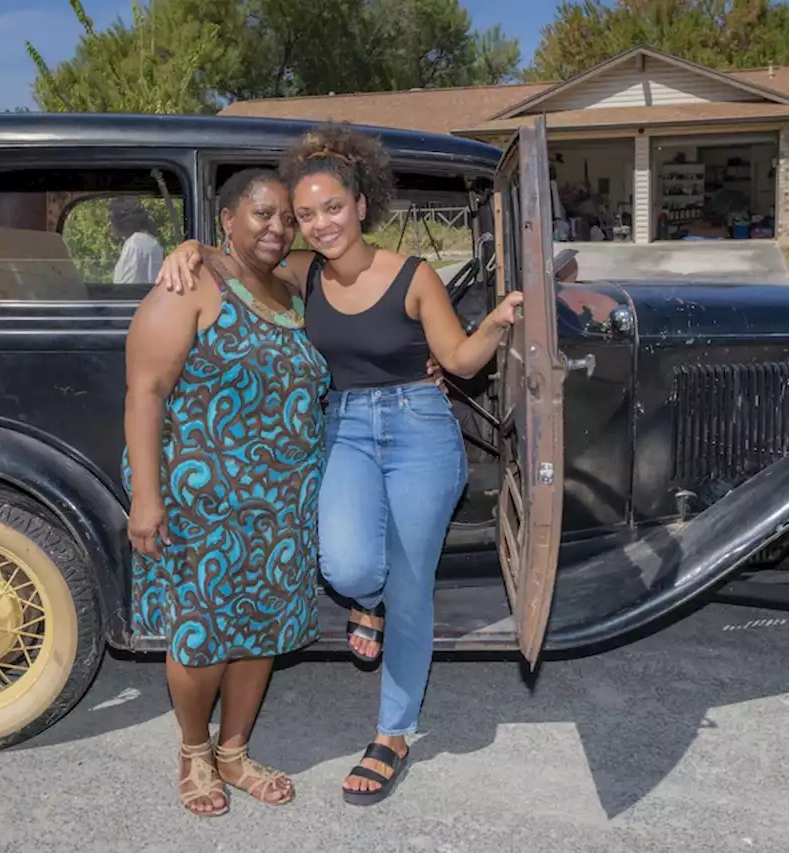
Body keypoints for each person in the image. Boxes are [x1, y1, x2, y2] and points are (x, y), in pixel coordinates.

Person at [156, 123, 523, 806]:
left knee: (413, 582)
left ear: (360, 205)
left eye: (331, 207)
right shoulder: (304, 271)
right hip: (344, 427)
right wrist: (188, 248)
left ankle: (393, 732)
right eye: (304, 214)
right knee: (348, 564)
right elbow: (236, 259)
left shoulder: (413, 276)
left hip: (419, 428)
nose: (318, 223)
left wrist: (500, 320)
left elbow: (464, 361)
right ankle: (368, 602)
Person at [121, 168, 325, 816]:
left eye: (286, 218)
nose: (278, 228)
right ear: (228, 217)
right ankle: (193, 749)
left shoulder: (290, 283)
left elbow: (331, 250)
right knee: (203, 634)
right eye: (262, 215)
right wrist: (147, 498)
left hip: (282, 500)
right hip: (203, 498)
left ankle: (234, 750)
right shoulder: (188, 286)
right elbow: (145, 392)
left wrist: (204, 245)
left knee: (258, 629)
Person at [109, 196, 164, 285]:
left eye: (111, 220)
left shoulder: (134, 245)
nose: (109, 225)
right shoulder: (152, 242)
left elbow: (125, 286)